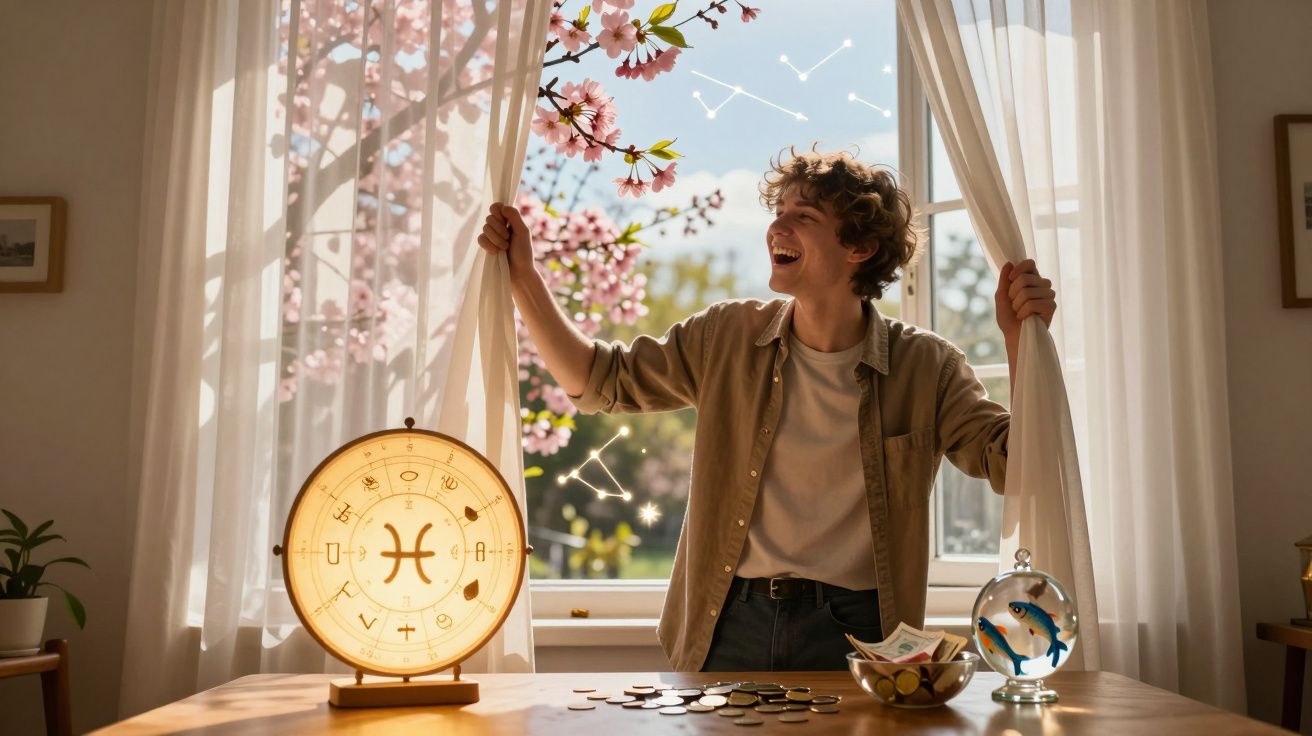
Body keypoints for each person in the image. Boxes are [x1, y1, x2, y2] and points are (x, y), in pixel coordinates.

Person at [478, 147, 1056, 672]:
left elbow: (1016, 467)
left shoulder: (927, 366)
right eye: (779, 211)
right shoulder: (725, 335)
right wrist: (523, 275)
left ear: (859, 248)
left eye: (804, 216)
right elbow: (598, 380)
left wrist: (1020, 342)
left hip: (861, 631)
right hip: (726, 620)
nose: (777, 227)